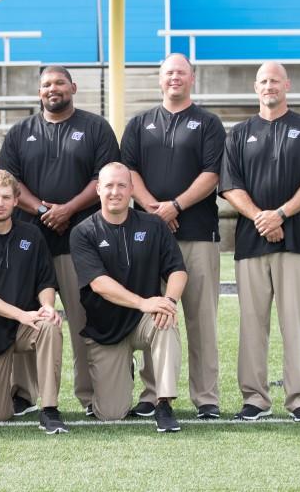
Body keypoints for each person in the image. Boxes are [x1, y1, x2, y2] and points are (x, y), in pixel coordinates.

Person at [0, 65, 120, 415]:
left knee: (85, 318)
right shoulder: (20, 132)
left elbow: (104, 178)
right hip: (28, 243)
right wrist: (41, 210)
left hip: (81, 240)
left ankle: (90, 393)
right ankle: (23, 393)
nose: (53, 89)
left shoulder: (96, 128)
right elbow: (8, 183)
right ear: (39, 92)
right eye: (47, 84)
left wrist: (66, 209)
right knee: (27, 316)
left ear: (73, 87)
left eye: (60, 83)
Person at [219, 61, 300, 423]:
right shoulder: (239, 133)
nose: (269, 86)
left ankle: (299, 398)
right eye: (263, 81)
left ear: (287, 85)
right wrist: (260, 218)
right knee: (252, 324)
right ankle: (255, 398)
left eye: (275, 81)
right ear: (255, 88)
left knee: (294, 323)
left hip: (295, 241)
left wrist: (280, 214)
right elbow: (230, 186)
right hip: (251, 245)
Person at [120, 53, 226, 420]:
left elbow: (212, 174)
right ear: (159, 79)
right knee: (154, 314)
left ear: (192, 78)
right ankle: (152, 393)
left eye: (181, 72)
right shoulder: (139, 123)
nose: (174, 78)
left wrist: (175, 207)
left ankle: (206, 396)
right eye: (168, 73)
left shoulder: (209, 123)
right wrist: (154, 209)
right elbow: (127, 170)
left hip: (198, 233)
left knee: (200, 317)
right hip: (149, 236)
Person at [70, 162, 186, 433]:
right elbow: (99, 284)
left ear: (132, 190)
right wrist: (143, 302)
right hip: (106, 329)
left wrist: (168, 301)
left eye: (122, 185)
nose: (115, 192)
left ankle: (164, 403)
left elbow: (178, 271)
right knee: (111, 414)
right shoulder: (83, 232)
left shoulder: (154, 225)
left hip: (145, 321)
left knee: (166, 320)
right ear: (98, 189)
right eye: (109, 185)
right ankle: (125, 367)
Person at [0, 170, 68, 434]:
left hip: (25, 327)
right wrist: (21, 314)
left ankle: (49, 409)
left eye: (6, 197)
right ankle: (7, 398)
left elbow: (45, 282)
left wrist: (48, 307)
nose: (0, 203)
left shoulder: (32, 235)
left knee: (49, 325)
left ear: (17, 201)